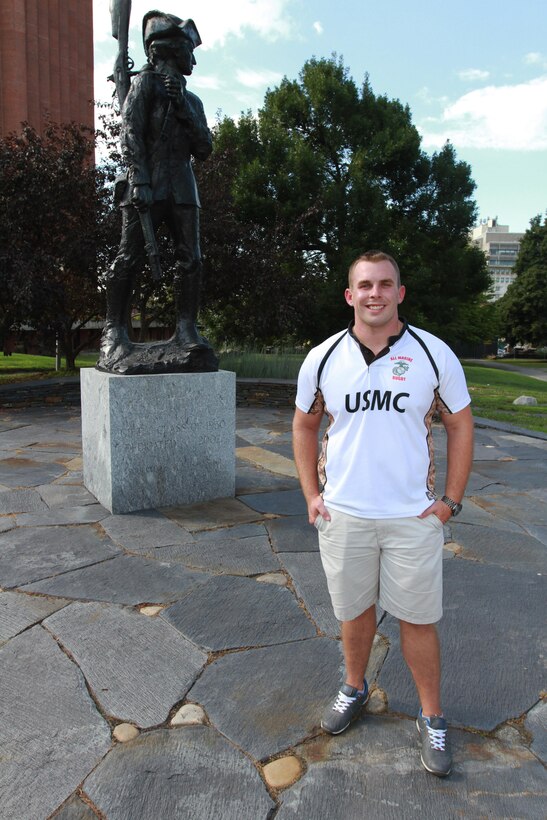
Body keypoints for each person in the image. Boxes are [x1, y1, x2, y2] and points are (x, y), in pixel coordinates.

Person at [292, 250, 473, 777]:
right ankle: (354, 687)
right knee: (354, 613)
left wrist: (450, 503)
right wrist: (311, 495)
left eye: (385, 284)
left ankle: (432, 716)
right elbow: (304, 426)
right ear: (350, 295)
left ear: (400, 293)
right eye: (365, 285)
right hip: (344, 514)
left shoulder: (432, 354)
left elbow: (461, 425)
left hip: (413, 517)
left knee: (419, 620)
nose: (375, 293)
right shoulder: (323, 357)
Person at [98, 11, 215, 374]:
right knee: (128, 258)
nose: (192, 59)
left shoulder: (191, 100)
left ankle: (186, 329)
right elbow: (130, 132)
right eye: (187, 51)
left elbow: (204, 147)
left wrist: (181, 103)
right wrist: (140, 180)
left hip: (182, 188)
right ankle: (113, 331)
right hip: (145, 187)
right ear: (167, 50)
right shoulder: (145, 85)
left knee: (190, 259)